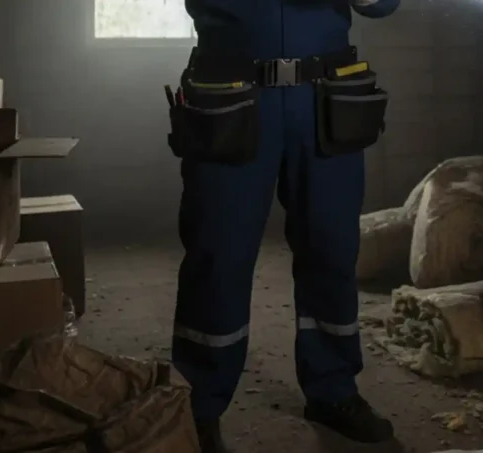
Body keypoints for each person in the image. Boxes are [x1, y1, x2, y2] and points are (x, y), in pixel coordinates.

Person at [171, 0, 400, 451]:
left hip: (324, 96)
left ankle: (333, 391)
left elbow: (383, 5)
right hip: (232, 92)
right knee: (218, 255)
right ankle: (198, 405)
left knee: (332, 251)